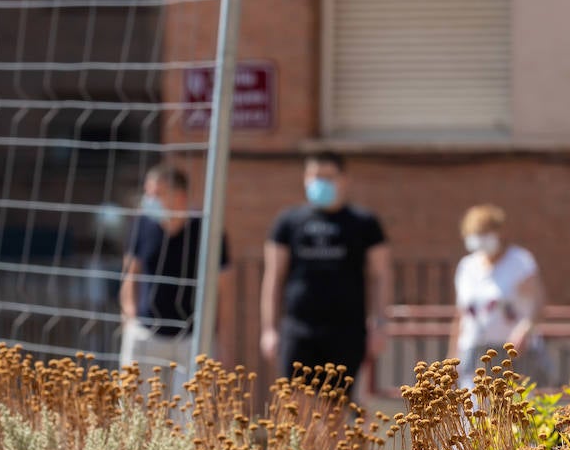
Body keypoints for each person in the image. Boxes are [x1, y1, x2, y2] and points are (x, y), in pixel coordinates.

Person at [260, 151, 392, 397]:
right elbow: (273, 277)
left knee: (336, 408)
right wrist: (269, 329)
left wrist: (380, 324)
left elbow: (380, 275)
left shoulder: (364, 223)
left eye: (327, 177)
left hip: (346, 331)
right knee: (295, 404)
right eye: (314, 176)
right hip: (298, 329)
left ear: (344, 180)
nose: (320, 182)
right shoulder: (287, 222)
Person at [119, 164, 232, 375]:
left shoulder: (207, 231)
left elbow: (223, 289)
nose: (148, 200)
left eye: (156, 194)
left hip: (192, 338)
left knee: (189, 407)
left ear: (179, 196)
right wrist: (129, 320)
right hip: (146, 333)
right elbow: (129, 275)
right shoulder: (141, 225)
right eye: (147, 193)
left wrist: (222, 341)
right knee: (135, 406)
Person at [450, 204, 548, 390]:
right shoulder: (467, 266)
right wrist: (452, 360)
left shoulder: (520, 262)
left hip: (514, 352)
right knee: (474, 409)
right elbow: (460, 316)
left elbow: (538, 303)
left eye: (483, 233)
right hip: (474, 349)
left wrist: (524, 331)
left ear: (498, 233)